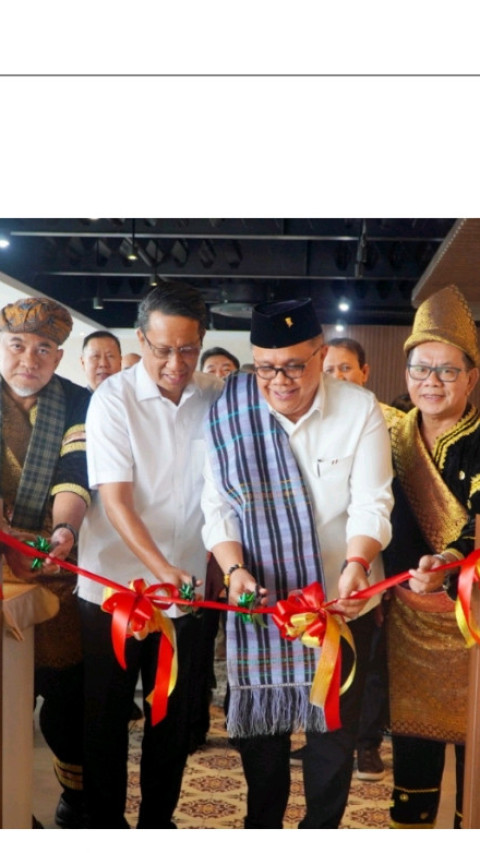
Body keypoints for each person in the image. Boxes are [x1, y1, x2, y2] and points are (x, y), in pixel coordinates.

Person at [202, 297, 394, 828]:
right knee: (262, 747)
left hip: (340, 601)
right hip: (262, 603)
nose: (279, 380)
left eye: (294, 365)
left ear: (320, 355)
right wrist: (234, 568)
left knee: (333, 740)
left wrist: (358, 562)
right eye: (265, 366)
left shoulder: (359, 409)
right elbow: (217, 504)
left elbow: (372, 501)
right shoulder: (231, 409)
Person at [77, 282, 223, 829]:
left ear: (201, 341)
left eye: (188, 349)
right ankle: (105, 827)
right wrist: (164, 571)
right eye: (162, 349)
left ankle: (159, 824)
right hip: (115, 589)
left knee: (172, 718)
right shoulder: (112, 399)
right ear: (141, 338)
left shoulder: (214, 394)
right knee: (108, 718)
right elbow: (115, 501)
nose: (175, 363)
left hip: (184, 595)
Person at [383, 284, 480, 829]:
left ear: (472, 376)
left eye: (448, 371)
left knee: (476, 758)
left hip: (472, 622)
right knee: (413, 752)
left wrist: (450, 556)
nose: (433, 382)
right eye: (422, 368)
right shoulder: (392, 430)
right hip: (408, 623)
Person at [0, 296, 91, 829]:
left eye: (42, 349)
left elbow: (73, 471)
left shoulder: (77, 403)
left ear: (58, 357)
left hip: (59, 569)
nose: (27, 360)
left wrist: (63, 530)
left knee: (65, 697)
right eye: (16, 346)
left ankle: (75, 799)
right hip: (2, 573)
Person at [322, 336, 403, 781]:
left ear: (365, 372)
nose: (338, 377)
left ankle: (367, 744)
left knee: (370, 664)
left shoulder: (386, 420)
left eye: (346, 368)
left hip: (382, 553)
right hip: (342, 562)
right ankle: (328, 735)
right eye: (330, 368)